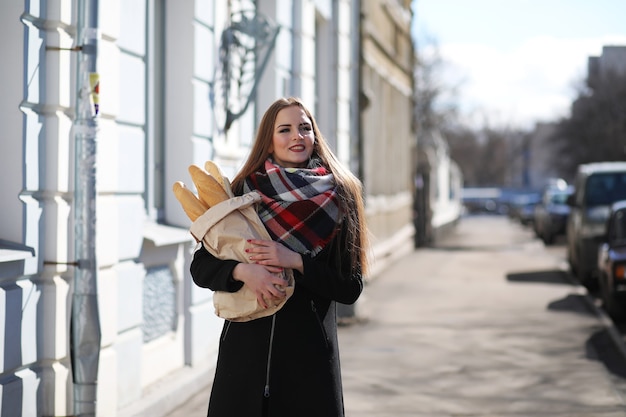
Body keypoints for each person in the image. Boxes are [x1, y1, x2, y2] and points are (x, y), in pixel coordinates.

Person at [190, 96, 369, 417]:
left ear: (315, 135)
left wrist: (296, 261)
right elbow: (201, 267)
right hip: (243, 368)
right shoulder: (243, 193)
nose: (297, 136)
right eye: (284, 130)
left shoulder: (341, 195)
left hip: (309, 370)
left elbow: (350, 287)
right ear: (268, 142)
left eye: (305, 128)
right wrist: (242, 273)